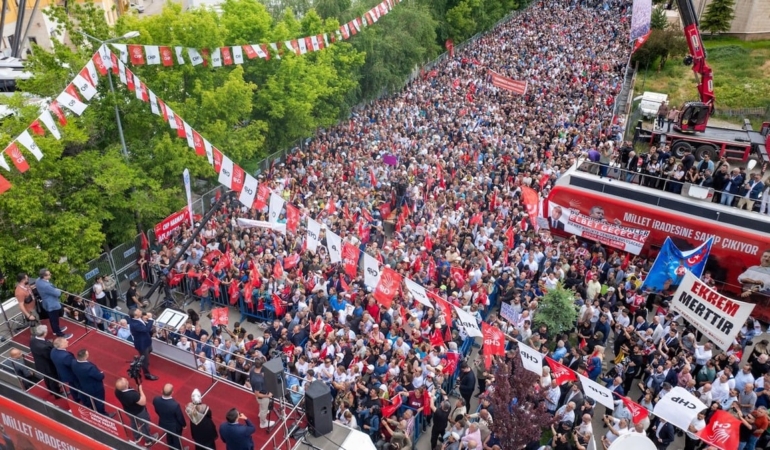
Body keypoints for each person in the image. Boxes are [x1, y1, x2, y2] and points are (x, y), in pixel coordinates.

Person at [115, 377, 158, 447]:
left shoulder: (117, 391)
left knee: (133, 422)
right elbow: (143, 402)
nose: (127, 379)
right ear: (126, 386)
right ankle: (149, 440)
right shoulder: (132, 395)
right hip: (139, 412)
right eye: (125, 380)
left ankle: (137, 436)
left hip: (128, 411)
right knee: (145, 424)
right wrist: (140, 389)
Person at [71, 348, 113, 417]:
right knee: (99, 401)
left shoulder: (74, 363)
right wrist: (101, 373)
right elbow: (100, 377)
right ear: (85, 356)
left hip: (83, 385)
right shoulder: (89, 368)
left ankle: (93, 409)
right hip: (95, 388)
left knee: (90, 399)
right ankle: (102, 414)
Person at [35, 269, 72, 339]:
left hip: (47, 303)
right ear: (44, 276)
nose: (50, 274)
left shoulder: (38, 280)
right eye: (49, 274)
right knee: (54, 319)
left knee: (53, 319)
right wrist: (57, 290)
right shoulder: (46, 286)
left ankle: (56, 330)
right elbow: (58, 293)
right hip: (52, 304)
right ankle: (60, 334)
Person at [29, 325, 62, 396]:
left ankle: (50, 390)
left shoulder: (33, 339)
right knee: (53, 379)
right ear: (44, 333)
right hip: (48, 366)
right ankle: (57, 394)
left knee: (46, 378)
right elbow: (49, 356)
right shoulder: (44, 347)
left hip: (40, 364)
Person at [153, 383, 187, 450]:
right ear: (172, 392)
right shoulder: (175, 405)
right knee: (177, 440)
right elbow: (179, 417)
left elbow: (157, 411)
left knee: (169, 437)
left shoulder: (156, 400)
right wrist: (184, 425)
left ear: (161, 391)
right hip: (175, 427)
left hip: (163, 423)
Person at [50, 336, 83, 404]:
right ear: (61, 345)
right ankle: (81, 399)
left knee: (72, 386)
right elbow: (73, 365)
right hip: (71, 374)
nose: (68, 341)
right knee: (78, 386)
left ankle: (76, 398)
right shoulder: (66, 356)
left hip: (62, 372)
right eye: (65, 341)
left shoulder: (53, 351)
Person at [129, 309, 159, 381]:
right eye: (138, 312)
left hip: (146, 340)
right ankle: (147, 375)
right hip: (142, 344)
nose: (140, 311)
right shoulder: (135, 324)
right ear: (135, 316)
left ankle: (143, 358)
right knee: (145, 361)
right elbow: (146, 329)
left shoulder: (137, 318)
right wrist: (151, 319)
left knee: (150, 350)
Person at [248, 360, 275, 429]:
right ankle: (263, 423)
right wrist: (268, 396)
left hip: (261, 394)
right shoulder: (258, 380)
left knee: (262, 407)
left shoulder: (252, 369)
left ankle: (261, 414)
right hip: (263, 396)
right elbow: (257, 394)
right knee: (264, 409)